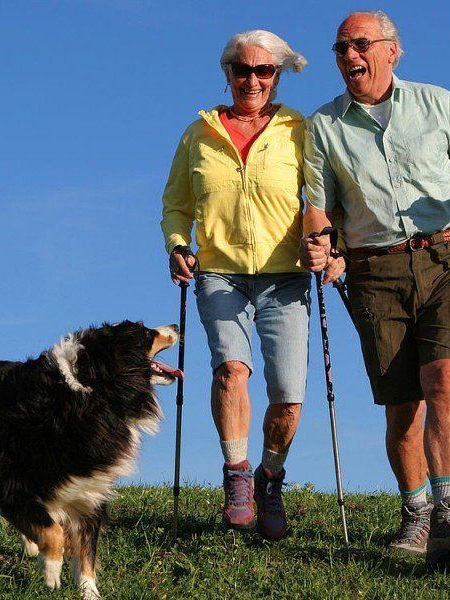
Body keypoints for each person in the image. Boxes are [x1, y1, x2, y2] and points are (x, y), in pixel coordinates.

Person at [301, 11, 450, 566]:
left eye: (361, 44)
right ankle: (416, 513)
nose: (350, 56)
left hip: (445, 254)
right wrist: (320, 243)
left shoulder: (438, 103)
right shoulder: (323, 126)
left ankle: (449, 516)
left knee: (444, 376)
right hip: (374, 271)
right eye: (341, 48)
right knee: (403, 408)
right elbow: (318, 206)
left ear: (392, 51)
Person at [160, 30, 309, 540]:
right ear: (227, 74)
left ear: (277, 77)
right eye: (242, 70)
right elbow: (177, 204)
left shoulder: (298, 129)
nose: (252, 80)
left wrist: (326, 245)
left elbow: (322, 197)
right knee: (230, 371)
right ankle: (237, 477)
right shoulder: (198, 134)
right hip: (219, 271)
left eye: (263, 71)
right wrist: (179, 244)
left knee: (288, 396)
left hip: (286, 274)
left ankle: (270, 478)